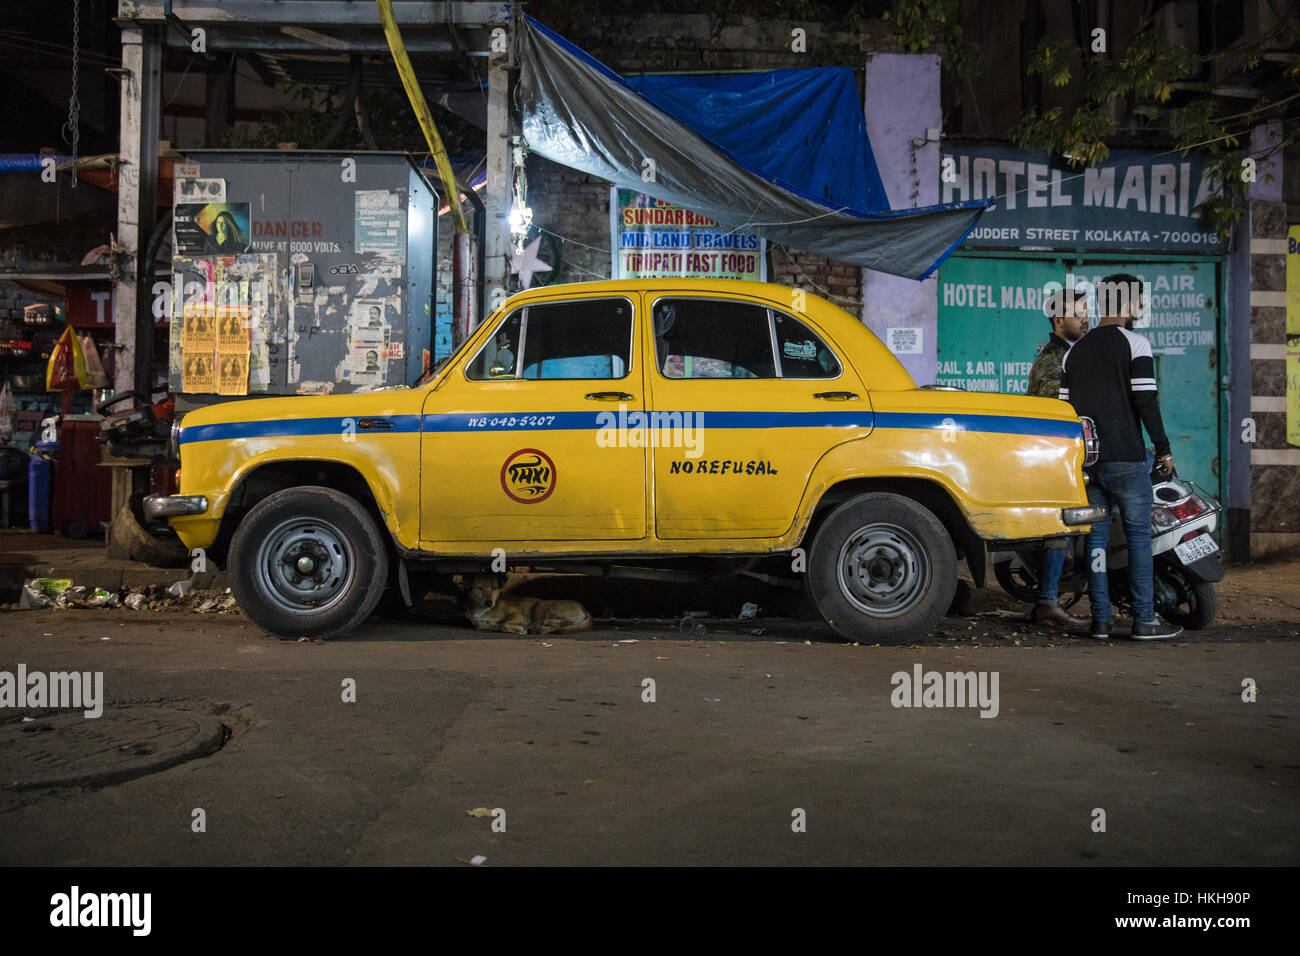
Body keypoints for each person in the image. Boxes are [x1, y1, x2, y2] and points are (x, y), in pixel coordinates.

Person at [1059, 274, 1183, 641]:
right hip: (1127, 459)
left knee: (1095, 540)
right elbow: (1146, 401)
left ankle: (1101, 621)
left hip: (1088, 462)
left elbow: (1063, 411)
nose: (1140, 308)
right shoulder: (1136, 343)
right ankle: (1145, 620)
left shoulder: (1074, 351)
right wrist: (1163, 449)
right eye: (1138, 301)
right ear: (1128, 304)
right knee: (1139, 538)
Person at [1026, 287, 1090, 631]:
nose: (1085, 317)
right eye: (1077, 312)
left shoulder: (1075, 354)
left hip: (1071, 452)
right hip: (1054, 454)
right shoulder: (1052, 358)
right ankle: (1047, 602)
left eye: (1086, 311)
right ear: (1058, 319)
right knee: (1059, 524)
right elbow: (1058, 409)